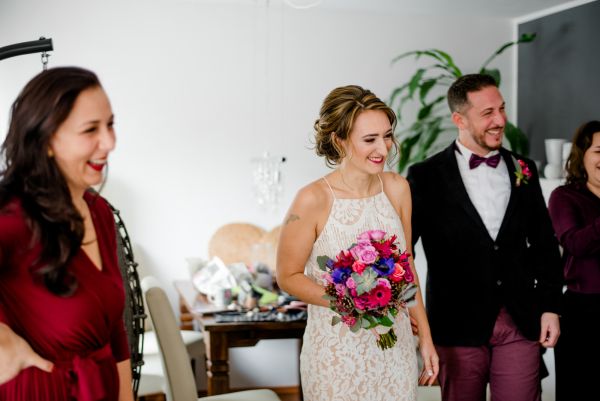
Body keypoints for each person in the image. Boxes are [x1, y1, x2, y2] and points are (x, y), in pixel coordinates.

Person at [406, 73, 563, 401]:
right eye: (488, 113)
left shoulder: (524, 168)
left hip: (520, 318)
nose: (500, 120)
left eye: (501, 109)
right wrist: (408, 309)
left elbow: (545, 244)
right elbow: (404, 252)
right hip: (456, 324)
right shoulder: (425, 176)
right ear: (459, 120)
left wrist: (550, 307)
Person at [276, 85, 438, 401]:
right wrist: (349, 300)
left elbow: (406, 267)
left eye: (387, 136)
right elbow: (287, 276)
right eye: (369, 139)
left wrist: (426, 337)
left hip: (395, 352)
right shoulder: (312, 199)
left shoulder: (397, 188)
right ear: (339, 140)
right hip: (336, 357)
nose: (383, 149)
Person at [0, 67, 134, 401]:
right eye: (90, 130)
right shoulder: (14, 219)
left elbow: (114, 334)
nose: (110, 142)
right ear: (46, 140)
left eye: (110, 124)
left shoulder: (99, 212)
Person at [548, 120, 600, 401]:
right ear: (583, 155)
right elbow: (576, 243)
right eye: (599, 152)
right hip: (583, 313)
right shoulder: (564, 197)